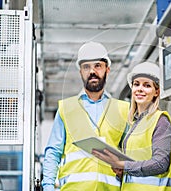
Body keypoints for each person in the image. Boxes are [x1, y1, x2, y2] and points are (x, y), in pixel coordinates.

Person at [41, 41, 130, 191]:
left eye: (97, 66)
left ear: (107, 69)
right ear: (80, 72)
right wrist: (48, 187)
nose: (92, 71)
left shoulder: (123, 109)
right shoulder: (66, 108)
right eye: (86, 67)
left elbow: (130, 156)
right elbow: (53, 153)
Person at [92, 61, 171, 191]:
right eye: (136, 84)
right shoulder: (136, 123)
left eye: (147, 85)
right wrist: (122, 172)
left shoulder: (160, 121)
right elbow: (137, 164)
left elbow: (160, 163)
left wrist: (124, 165)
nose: (140, 89)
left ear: (156, 92)